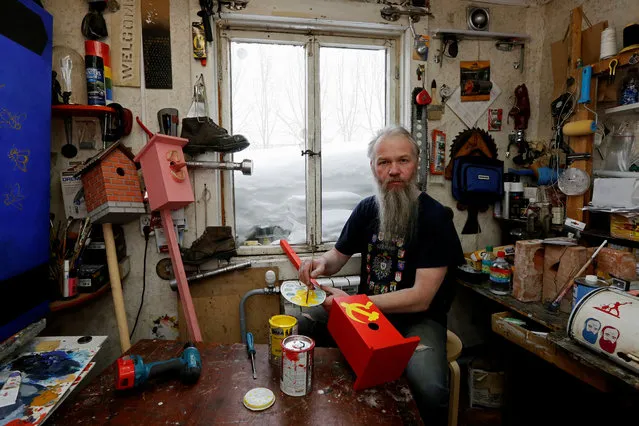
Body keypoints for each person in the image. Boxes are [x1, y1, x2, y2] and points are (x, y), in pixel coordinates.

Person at [297, 125, 464, 425]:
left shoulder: (436, 218)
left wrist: (352, 304)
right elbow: (337, 257)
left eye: (403, 160)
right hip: (368, 313)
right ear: (373, 168)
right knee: (303, 325)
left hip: (418, 319)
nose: (394, 170)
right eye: (384, 162)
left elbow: (421, 298)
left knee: (429, 386)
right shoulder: (366, 210)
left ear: (417, 165)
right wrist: (318, 265)